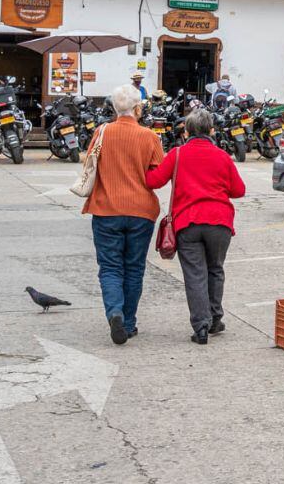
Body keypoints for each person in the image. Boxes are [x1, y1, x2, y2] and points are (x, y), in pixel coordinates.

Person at [145, 108, 245, 344]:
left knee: (195, 275)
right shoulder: (222, 156)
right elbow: (238, 190)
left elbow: (154, 181)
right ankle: (215, 318)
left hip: (187, 222)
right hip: (219, 222)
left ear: (186, 132)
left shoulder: (178, 154)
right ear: (212, 130)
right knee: (215, 269)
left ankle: (201, 326)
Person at [80, 85, 165, 345]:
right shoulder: (149, 137)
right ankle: (128, 323)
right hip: (141, 212)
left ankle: (114, 311)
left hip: (106, 209)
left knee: (110, 267)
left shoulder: (101, 132)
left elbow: (89, 165)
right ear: (138, 108)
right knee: (134, 268)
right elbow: (157, 177)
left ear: (115, 109)